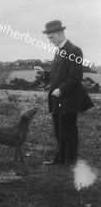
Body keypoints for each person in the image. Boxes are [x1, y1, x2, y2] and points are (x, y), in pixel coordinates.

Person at [35, 20, 94, 166]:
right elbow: (59, 73)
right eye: (48, 38)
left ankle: (70, 162)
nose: (50, 41)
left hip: (68, 98)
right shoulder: (58, 50)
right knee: (58, 131)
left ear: (60, 33)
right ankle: (59, 159)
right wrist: (45, 73)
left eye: (51, 37)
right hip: (57, 98)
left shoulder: (75, 50)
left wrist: (61, 89)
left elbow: (75, 77)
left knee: (69, 131)